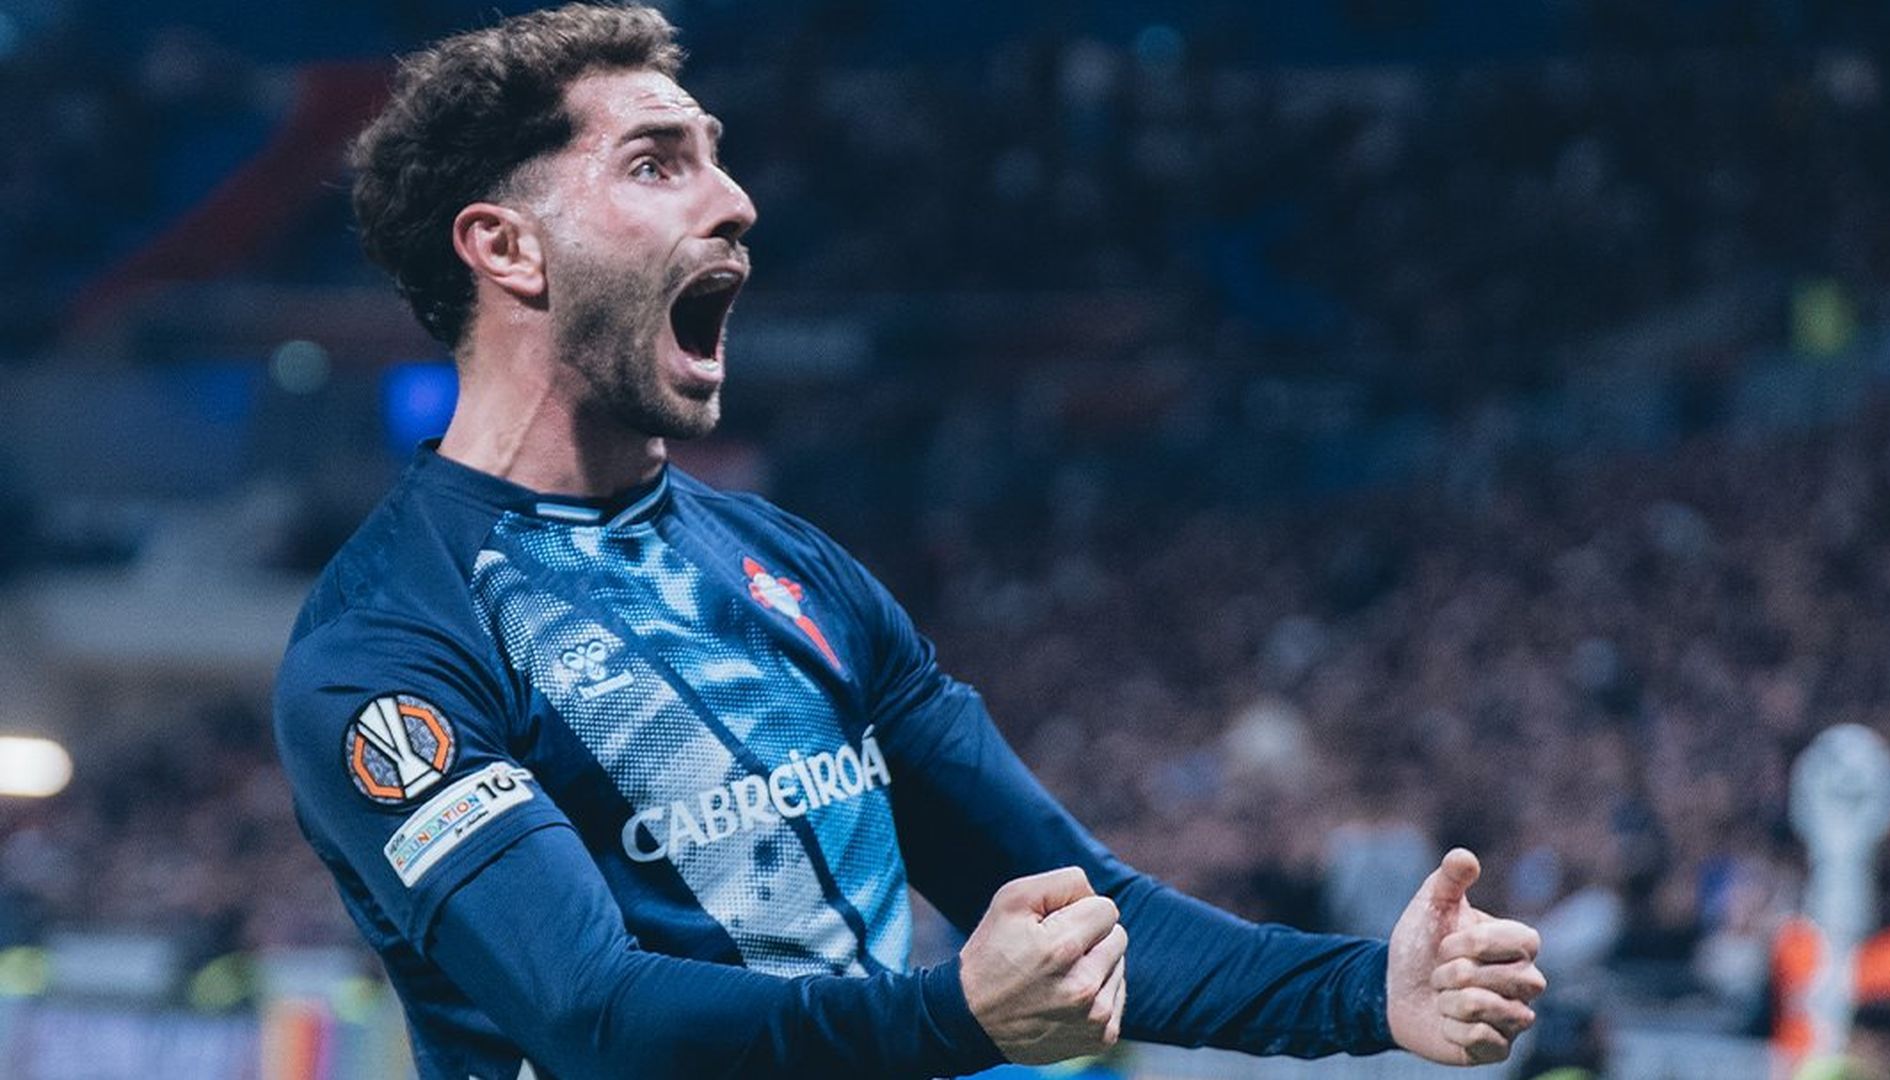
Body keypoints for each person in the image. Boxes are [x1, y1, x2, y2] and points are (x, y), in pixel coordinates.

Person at [272, 5, 1546, 1077]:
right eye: (658, 164)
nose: (737, 201)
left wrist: (1366, 991)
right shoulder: (390, 642)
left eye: (717, 156)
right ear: (506, 248)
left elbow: (1090, 909)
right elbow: (596, 1019)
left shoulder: (791, 568)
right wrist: (955, 1014)